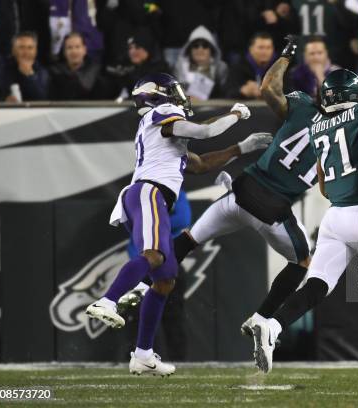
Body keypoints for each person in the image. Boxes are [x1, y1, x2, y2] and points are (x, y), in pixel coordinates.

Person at [250, 68, 358, 374]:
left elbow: (323, 184)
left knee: (317, 285)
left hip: (334, 216)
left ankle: (272, 326)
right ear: (357, 94)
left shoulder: (319, 124)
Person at [85, 72, 252, 376]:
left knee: (165, 280)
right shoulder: (162, 113)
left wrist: (239, 149)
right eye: (172, 91)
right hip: (148, 191)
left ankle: (143, 354)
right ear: (156, 95)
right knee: (153, 256)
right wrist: (237, 114)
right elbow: (205, 131)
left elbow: (200, 163)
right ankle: (107, 301)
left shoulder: (164, 133)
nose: (179, 97)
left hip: (152, 195)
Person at [172, 36, 317, 339]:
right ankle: (261, 318)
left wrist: (286, 55)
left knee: (187, 240)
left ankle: (138, 286)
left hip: (240, 193)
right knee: (303, 261)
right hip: (272, 209)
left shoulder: (302, 106)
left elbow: (267, 88)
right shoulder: (343, 133)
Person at [0, 31, 48, 102]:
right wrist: (4, 100)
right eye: (21, 47)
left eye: (30, 48)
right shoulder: (0, 68)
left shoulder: (41, 71)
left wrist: (29, 76)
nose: (26, 52)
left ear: (36, 51)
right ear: (13, 50)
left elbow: (44, 100)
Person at [173, 25, 228, 101]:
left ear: (211, 49)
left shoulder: (221, 68)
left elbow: (225, 95)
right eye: (195, 45)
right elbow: (175, 93)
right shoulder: (180, 67)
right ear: (190, 49)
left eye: (205, 45)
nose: (200, 49)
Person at [49, 32, 104, 100]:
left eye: (77, 47)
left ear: (84, 50)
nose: (74, 51)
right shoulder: (55, 72)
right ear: (64, 52)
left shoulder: (95, 70)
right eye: (69, 48)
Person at [226, 32, 277, 99]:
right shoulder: (238, 67)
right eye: (260, 48)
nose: (265, 51)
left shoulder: (279, 68)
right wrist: (242, 91)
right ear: (251, 49)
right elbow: (227, 92)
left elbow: (289, 92)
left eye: (268, 48)